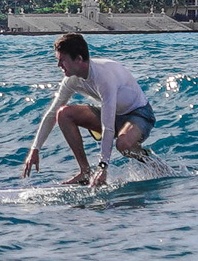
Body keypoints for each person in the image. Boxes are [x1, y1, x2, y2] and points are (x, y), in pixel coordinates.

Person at [19, 32, 155, 186]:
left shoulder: (103, 76)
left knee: (123, 145)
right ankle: (85, 172)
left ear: (79, 59)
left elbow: (107, 126)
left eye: (62, 60)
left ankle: (153, 163)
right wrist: (35, 149)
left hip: (139, 114)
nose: (59, 66)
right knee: (63, 114)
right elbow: (51, 115)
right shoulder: (71, 80)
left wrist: (103, 167)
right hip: (114, 114)